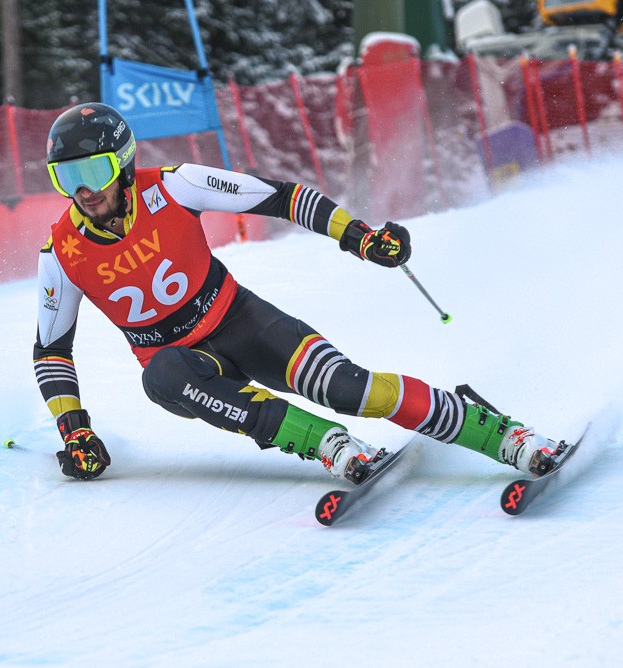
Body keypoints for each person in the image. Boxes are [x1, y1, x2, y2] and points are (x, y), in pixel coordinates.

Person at [35, 102, 560, 483]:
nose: (84, 190)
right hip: (186, 367)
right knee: (163, 375)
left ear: (123, 162)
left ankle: (501, 435)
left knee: (350, 389)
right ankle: (325, 443)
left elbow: (282, 198)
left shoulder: (175, 185)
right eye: (67, 177)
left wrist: (359, 237)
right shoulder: (61, 251)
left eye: (95, 171)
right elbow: (51, 351)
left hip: (241, 323)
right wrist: (74, 430)